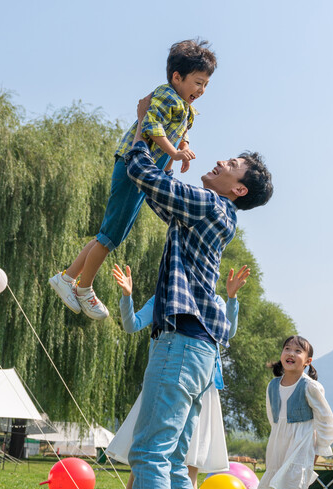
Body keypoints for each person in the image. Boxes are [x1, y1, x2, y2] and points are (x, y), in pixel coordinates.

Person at [93, 97, 273, 489]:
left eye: (230, 164)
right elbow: (158, 197)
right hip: (197, 349)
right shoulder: (207, 212)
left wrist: (144, 138)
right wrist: (161, 158)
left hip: (182, 343)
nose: (218, 162)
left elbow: (151, 181)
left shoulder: (213, 206)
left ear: (238, 188)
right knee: (172, 459)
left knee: (150, 452)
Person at [48, 39, 216, 321]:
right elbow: (151, 124)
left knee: (110, 232)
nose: (201, 90)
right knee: (111, 236)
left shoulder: (185, 108)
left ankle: (67, 278)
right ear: (177, 77)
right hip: (132, 166)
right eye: (198, 82)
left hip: (145, 173)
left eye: (206, 85)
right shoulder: (166, 96)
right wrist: (174, 152)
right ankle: (84, 288)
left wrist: (182, 150)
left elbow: (181, 131)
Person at [105, 262, 250, 489]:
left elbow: (228, 332)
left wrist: (232, 299)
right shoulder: (164, 295)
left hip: (201, 387)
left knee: (183, 467)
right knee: (143, 464)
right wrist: (126, 296)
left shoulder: (215, 300)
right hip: (162, 383)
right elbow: (132, 324)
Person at [251, 335, 333, 489]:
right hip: (278, 444)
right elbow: (274, 417)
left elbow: (326, 421)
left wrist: (319, 449)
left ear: (307, 360)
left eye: (298, 351)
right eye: (287, 348)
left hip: (301, 445)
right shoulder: (272, 386)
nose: (291, 353)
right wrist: (278, 438)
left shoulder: (310, 386)